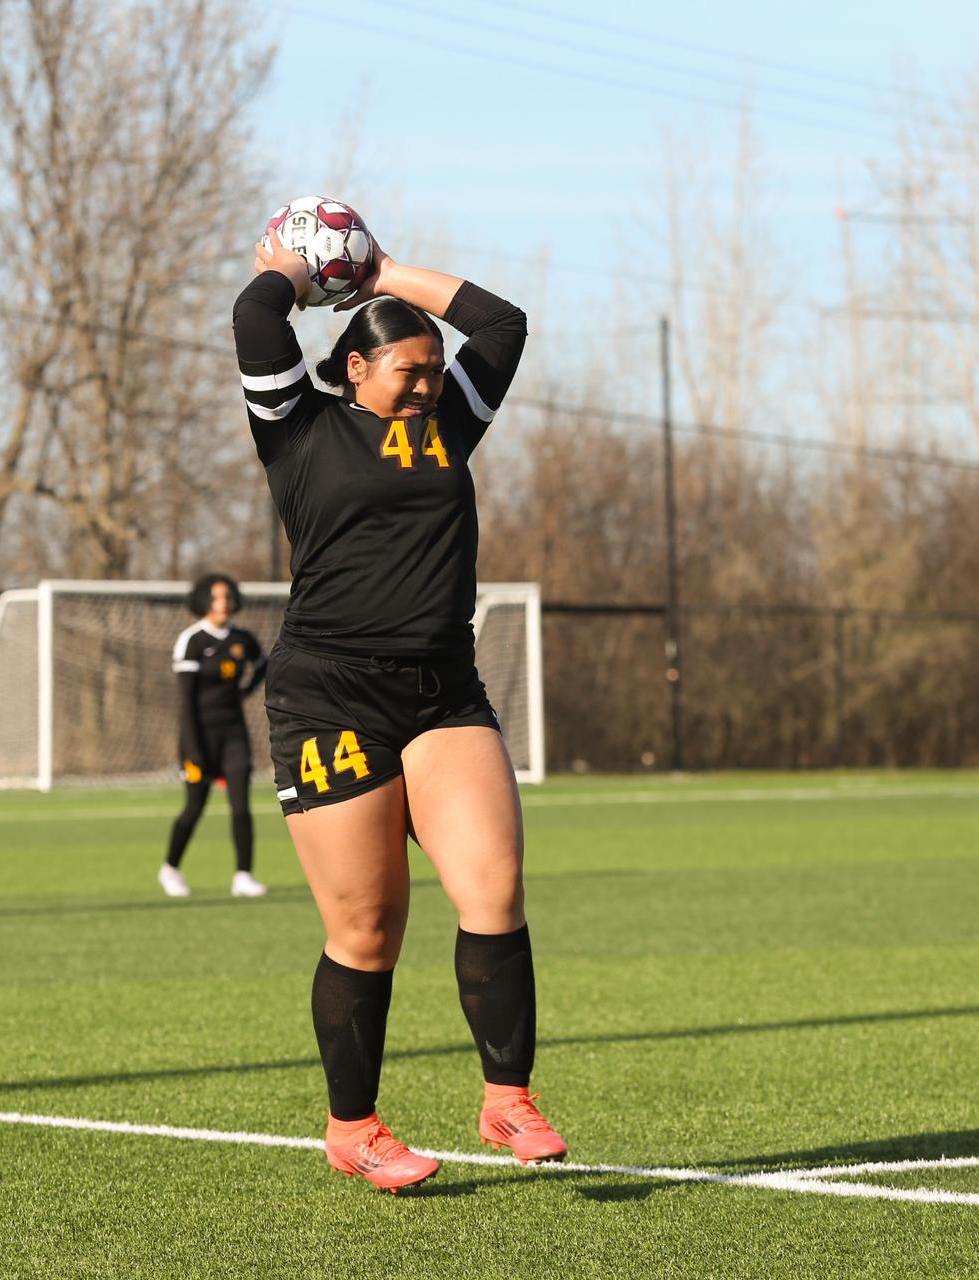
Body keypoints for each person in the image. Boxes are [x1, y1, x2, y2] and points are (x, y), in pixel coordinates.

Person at [234, 225, 564, 1193]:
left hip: (442, 691)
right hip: (329, 694)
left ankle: (507, 1094)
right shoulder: (295, 427)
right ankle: (355, 1125)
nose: (426, 386)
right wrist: (300, 268)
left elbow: (500, 324)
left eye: (433, 371)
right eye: (406, 372)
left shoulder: (446, 428)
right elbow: (258, 311)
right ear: (351, 366)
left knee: (494, 889)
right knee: (368, 926)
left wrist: (377, 272)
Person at [160, 571, 269, 899]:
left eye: (228, 597)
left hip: (233, 735)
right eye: (218, 597)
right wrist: (193, 751)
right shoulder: (192, 641)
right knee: (194, 807)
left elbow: (263, 664)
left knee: (241, 806)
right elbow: (185, 704)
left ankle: (243, 875)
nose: (225, 603)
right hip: (198, 737)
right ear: (204, 601)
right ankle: (171, 868)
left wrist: (246, 691)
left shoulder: (242, 640)